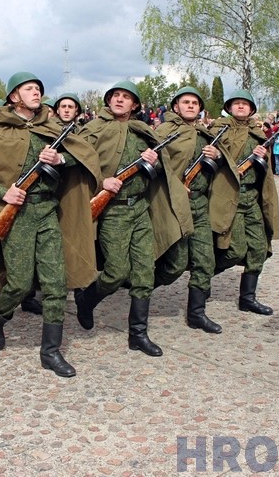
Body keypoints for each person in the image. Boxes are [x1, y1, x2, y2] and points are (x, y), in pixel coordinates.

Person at [0, 72, 100, 377]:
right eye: (29, 88)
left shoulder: (52, 128)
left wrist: (60, 162)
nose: (36, 92)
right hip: (15, 215)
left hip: (47, 211)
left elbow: (80, 158)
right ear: (14, 96)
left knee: (56, 284)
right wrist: (2, 191)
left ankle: (51, 352)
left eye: (39, 88)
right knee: (19, 284)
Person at [75, 80, 192, 356]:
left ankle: (138, 334)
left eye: (126, 97)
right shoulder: (93, 130)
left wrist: (154, 159)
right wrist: (102, 181)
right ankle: (87, 298)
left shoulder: (144, 131)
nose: (119, 100)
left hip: (140, 209)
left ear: (135, 105)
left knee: (143, 273)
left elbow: (165, 167)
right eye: (115, 95)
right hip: (112, 210)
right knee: (116, 272)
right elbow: (77, 164)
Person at [154, 87, 223, 334]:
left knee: (205, 260)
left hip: (200, 203)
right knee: (175, 263)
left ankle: (197, 314)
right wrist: (175, 184)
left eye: (195, 102)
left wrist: (216, 156)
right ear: (176, 107)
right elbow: (157, 164)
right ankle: (141, 285)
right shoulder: (165, 131)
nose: (191, 106)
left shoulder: (206, 134)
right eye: (186, 102)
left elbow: (224, 165)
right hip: (175, 203)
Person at [210, 90, 279, 316]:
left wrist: (262, 157)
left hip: (252, 197)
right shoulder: (218, 130)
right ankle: (203, 276)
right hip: (228, 196)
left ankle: (247, 298)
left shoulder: (257, 133)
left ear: (251, 110)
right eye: (236, 104)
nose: (241, 107)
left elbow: (265, 172)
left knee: (259, 248)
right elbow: (214, 157)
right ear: (229, 108)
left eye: (245, 104)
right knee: (235, 250)